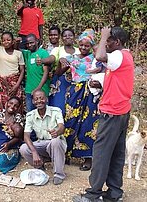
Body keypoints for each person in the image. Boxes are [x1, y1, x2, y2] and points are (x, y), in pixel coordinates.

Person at [73, 27, 134, 202]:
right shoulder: (124, 56)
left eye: (109, 40)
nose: (106, 43)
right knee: (116, 154)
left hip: (113, 112)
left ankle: (93, 195)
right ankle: (115, 193)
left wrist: (103, 35)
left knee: (101, 154)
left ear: (118, 42)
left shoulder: (118, 55)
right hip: (121, 111)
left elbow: (99, 56)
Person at [61, 29, 99, 171]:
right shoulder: (72, 57)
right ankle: (66, 153)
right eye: (81, 45)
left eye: (87, 46)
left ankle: (87, 157)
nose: (83, 48)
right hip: (74, 92)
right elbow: (60, 69)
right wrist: (61, 60)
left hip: (90, 92)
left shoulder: (95, 59)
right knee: (69, 121)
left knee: (88, 124)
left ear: (91, 46)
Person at [19, 90, 66, 185]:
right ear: (33, 102)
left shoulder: (56, 111)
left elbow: (62, 127)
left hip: (55, 142)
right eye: (36, 99)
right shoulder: (30, 115)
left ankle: (58, 174)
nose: (39, 101)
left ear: (47, 99)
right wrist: (34, 152)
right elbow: (26, 136)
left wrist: (57, 132)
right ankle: (40, 166)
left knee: (55, 141)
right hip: (41, 143)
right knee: (23, 148)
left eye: (41, 98)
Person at [37, 28, 80, 116]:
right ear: (61, 38)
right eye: (65, 36)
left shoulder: (79, 50)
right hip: (60, 83)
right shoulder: (58, 50)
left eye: (70, 35)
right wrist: (43, 60)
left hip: (76, 83)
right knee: (58, 108)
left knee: (74, 108)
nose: (67, 37)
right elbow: (52, 58)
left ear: (74, 37)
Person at [22, 34, 50, 112]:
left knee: (44, 114)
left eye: (31, 42)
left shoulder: (43, 53)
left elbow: (46, 72)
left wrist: (38, 88)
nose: (29, 45)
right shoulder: (27, 53)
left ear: (37, 41)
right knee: (30, 114)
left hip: (42, 90)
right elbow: (16, 49)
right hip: (29, 91)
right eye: (27, 43)